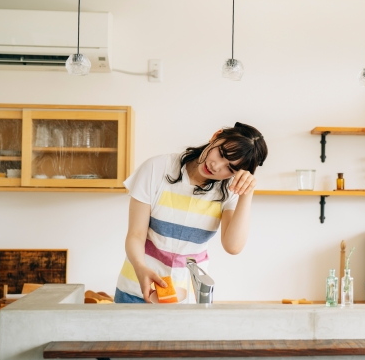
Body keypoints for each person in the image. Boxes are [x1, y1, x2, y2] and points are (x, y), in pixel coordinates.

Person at [114, 122, 268, 303]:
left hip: (189, 297)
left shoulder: (229, 190)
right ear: (216, 135)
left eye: (231, 168)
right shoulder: (156, 168)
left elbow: (233, 246)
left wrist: (246, 193)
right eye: (221, 153)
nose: (217, 166)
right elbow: (136, 234)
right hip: (137, 289)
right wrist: (140, 268)